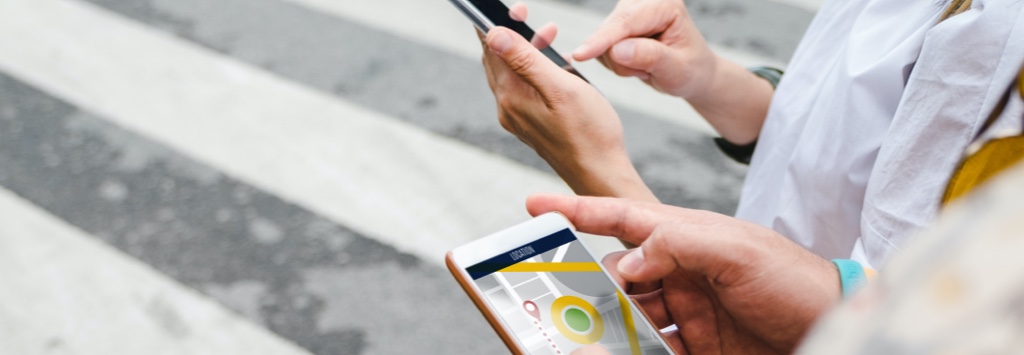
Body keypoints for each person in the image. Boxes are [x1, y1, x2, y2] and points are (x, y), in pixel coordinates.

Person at [478, 0, 1024, 277]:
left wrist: (593, 162)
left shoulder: (999, 37)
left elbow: (881, 321)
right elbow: (855, 141)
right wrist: (708, 80)